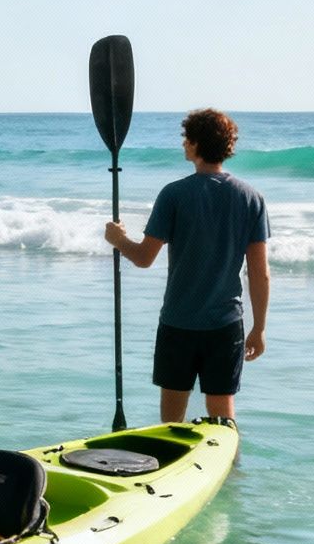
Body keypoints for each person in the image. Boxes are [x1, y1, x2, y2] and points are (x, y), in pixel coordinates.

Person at [103, 108, 271, 425]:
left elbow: (143, 257)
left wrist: (118, 239)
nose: (183, 144)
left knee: (172, 419)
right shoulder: (251, 198)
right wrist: (259, 328)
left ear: (195, 144)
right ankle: (231, 469)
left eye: (185, 138)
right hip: (226, 325)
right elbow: (259, 272)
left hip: (179, 322)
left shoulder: (175, 194)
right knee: (223, 415)